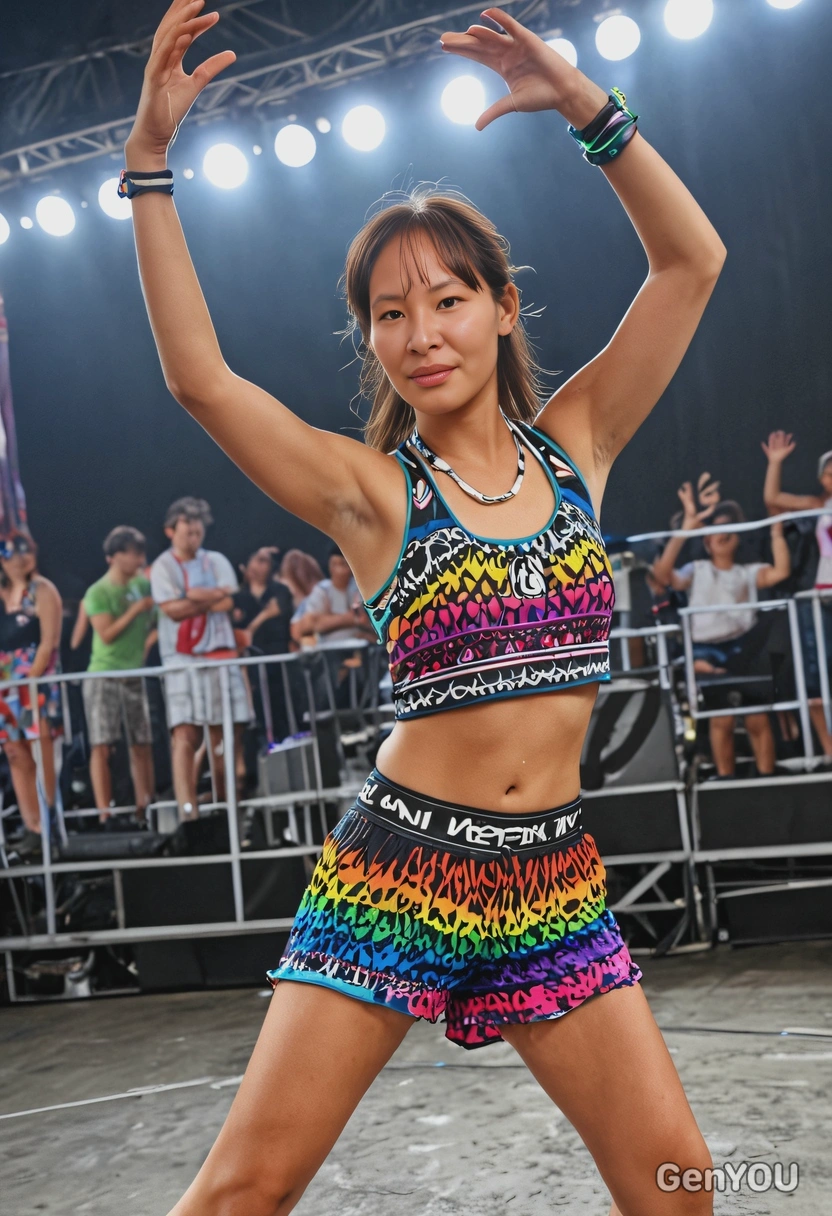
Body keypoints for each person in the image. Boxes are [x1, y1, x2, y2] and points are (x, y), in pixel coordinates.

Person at [125, 4, 727, 1212]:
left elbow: (690, 262)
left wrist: (586, 109)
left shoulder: (577, 448)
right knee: (244, 1192)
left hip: (551, 878)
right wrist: (148, 166)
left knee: (678, 1187)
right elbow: (201, 380)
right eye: (389, 314)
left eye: (447, 299)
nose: (420, 334)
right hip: (401, 869)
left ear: (502, 306)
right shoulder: (373, 495)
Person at [652, 486, 790, 778]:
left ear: (738, 536)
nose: (722, 535)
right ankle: (726, 782)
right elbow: (663, 577)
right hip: (707, 652)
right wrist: (685, 529)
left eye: (729, 529)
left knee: (756, 716)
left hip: (745, 652)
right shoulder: (697, 569)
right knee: (721, 718)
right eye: (716, 531)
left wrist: (776, 529)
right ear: (706, 541)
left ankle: (767, 779)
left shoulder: (747, 572)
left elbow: (780, 572)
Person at [150, 496, 251, 820]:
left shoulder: (216, 560)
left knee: (225, 734)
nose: (194, 538)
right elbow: (172, 610)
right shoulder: (163, 566)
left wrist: (193, 597)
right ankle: (187, 810)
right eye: (188, 532)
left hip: (220, 655)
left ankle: (226, 806)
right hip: (181, 659)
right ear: (171, 531)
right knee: (185, 733)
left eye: (198, 532)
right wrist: (211, 597)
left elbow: (229, 601)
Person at [762, 430, 832, 757]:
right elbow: (773, 499)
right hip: (820, 598)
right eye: (829, 473)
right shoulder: (818, 505)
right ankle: (829, 749)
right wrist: (775, 462)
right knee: (817, 673)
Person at [82, 526, 156, 825]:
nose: (140, 559)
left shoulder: (143, 585)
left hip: (134, 674)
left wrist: (145, 648)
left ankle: (145, 806)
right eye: (134, 554)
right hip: (104, 675)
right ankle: (105, 813)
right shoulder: (98, 591)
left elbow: (158, 622)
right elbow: (106, 633)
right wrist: (136, 609)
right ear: (116, 556)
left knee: (142, 742)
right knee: (102, 744)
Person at [0, 531, 62, 857]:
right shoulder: (2, 595)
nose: (21, 558)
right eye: (13, 552)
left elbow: (49, 642)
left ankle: (47, 821)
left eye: (26, 550)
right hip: (4, 683)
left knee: (40, 748)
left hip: (35, 680)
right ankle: (30, 825)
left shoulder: (42, 590)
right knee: (14, 751)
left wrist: (28, 682)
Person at [233, 546, 294, 743]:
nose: (257, 566)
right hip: (252, 664)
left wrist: (258, 622)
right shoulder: (239, 597)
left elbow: (280, 610)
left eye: (263, 561)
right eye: (255, 559)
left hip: (280, 662)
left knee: (283, 709)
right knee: (258, 714)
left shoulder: (279, 590)